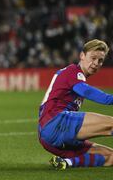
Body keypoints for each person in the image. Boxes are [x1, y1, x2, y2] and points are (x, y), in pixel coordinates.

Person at [38, 39, 113, 170]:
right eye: (93, 58)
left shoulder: (74, 75)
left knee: (110, 156)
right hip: (56, 123)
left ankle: (67, 162)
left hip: (48, 139)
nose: (96, 63)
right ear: (82, 55)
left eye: (100, 60)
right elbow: (87, 91)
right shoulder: (73, 71)